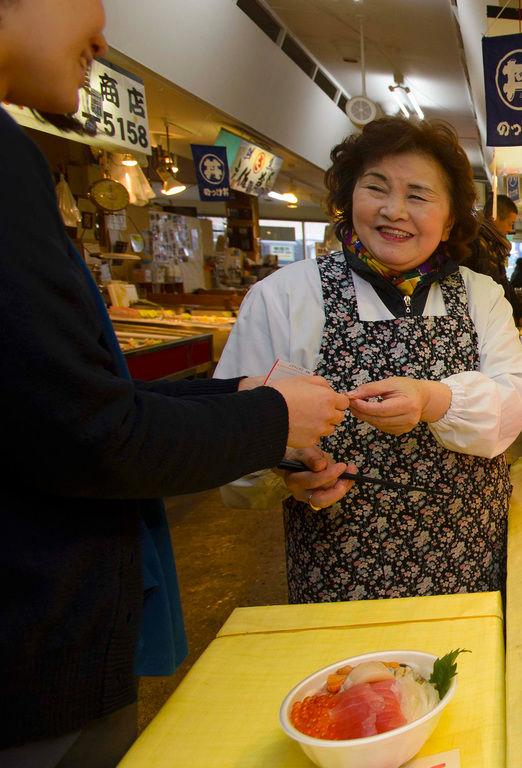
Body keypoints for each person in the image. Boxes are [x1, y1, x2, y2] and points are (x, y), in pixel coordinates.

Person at [0, 0, 351, 763]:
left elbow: (78, 404)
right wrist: (266, 419)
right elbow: (88, 434)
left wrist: (243, 403)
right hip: (27, 648)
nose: (103, 31)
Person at [217, 117, 522, 603]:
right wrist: (286, 471)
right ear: (349, 200)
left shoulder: (481, 295)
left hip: (470, 551)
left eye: (418, 195)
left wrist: (434, 399)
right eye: (376, 188)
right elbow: (230, 439)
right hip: (339, 560)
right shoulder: (284, 296)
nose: (395, 211)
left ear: (450, 217)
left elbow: (515, 397)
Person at [469, 193, 522, 329]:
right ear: (495, 217)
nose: (510, 229)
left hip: (495, 323)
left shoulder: (493, 245)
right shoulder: (474, 242)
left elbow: (503, 283)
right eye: (510, 224)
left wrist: (520, 311)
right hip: (482, 326)